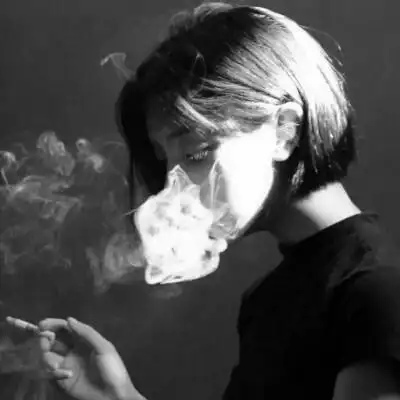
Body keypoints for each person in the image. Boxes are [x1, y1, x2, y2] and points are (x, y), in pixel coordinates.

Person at [9, 2, 400, 399]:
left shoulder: (377, 294)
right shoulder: (270, 299)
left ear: (285, 130)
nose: (173, 186)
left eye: (195, 153)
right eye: (166, 160)